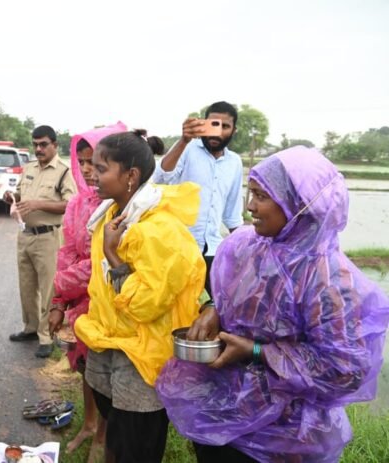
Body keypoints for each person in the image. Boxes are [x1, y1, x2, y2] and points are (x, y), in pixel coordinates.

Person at [157, 147, 389, 463]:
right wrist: (212, 309)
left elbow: (345, 369)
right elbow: (230, 300)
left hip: (286, 438)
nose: (249, 206)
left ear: (299, 205)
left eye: (261, 196)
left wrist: (257, 351)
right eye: (250, 193)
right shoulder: (244, 246)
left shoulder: (329, 280)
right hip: (223, 414)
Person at [74, 131, 205, 462]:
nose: (92, 174)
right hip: (109, 342)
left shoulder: (160, 230)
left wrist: (113, 255)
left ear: (130, 176)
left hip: (142, 356)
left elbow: (145, 305)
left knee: (137, 447)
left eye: (101, 168)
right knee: (117, 435)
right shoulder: (111, 214)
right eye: (90, 166)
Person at [47, 122, 126, 458]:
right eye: (83, 162)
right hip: (81, 302)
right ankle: (89, 424)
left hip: (109, 300)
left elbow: (102, 263)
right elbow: (68, 252)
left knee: (104, 370)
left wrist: (61, 283)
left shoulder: (120, 204)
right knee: (84, 366)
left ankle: (103, 436)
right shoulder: (78, 203)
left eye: (97, 162)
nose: (89, 169)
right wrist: (58, 303)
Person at [153, 101, 243, 300]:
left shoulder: (234, 162)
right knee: (176, 309)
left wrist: (246, 250)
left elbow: (232, 215)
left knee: (208, 309)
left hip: (213, 251)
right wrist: (183, 140)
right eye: (213, 125)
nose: (217, 132)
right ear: (203, 124)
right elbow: (160, 178)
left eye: (225, 126)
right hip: (177, 248)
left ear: (234, 130)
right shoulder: (187, 149)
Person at [4, 125, 76, 358]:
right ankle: (31, 327)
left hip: (48, 237)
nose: (38, 148)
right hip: (25, 235)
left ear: (55, 145)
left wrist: (38, 204)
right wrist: (12, 197)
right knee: (27, 286)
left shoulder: (64, 172)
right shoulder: (29, 168)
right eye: (35, 144)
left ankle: (46, 337)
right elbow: (20, 195)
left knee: (48, 288)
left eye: (43, 144)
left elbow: (70, 204)